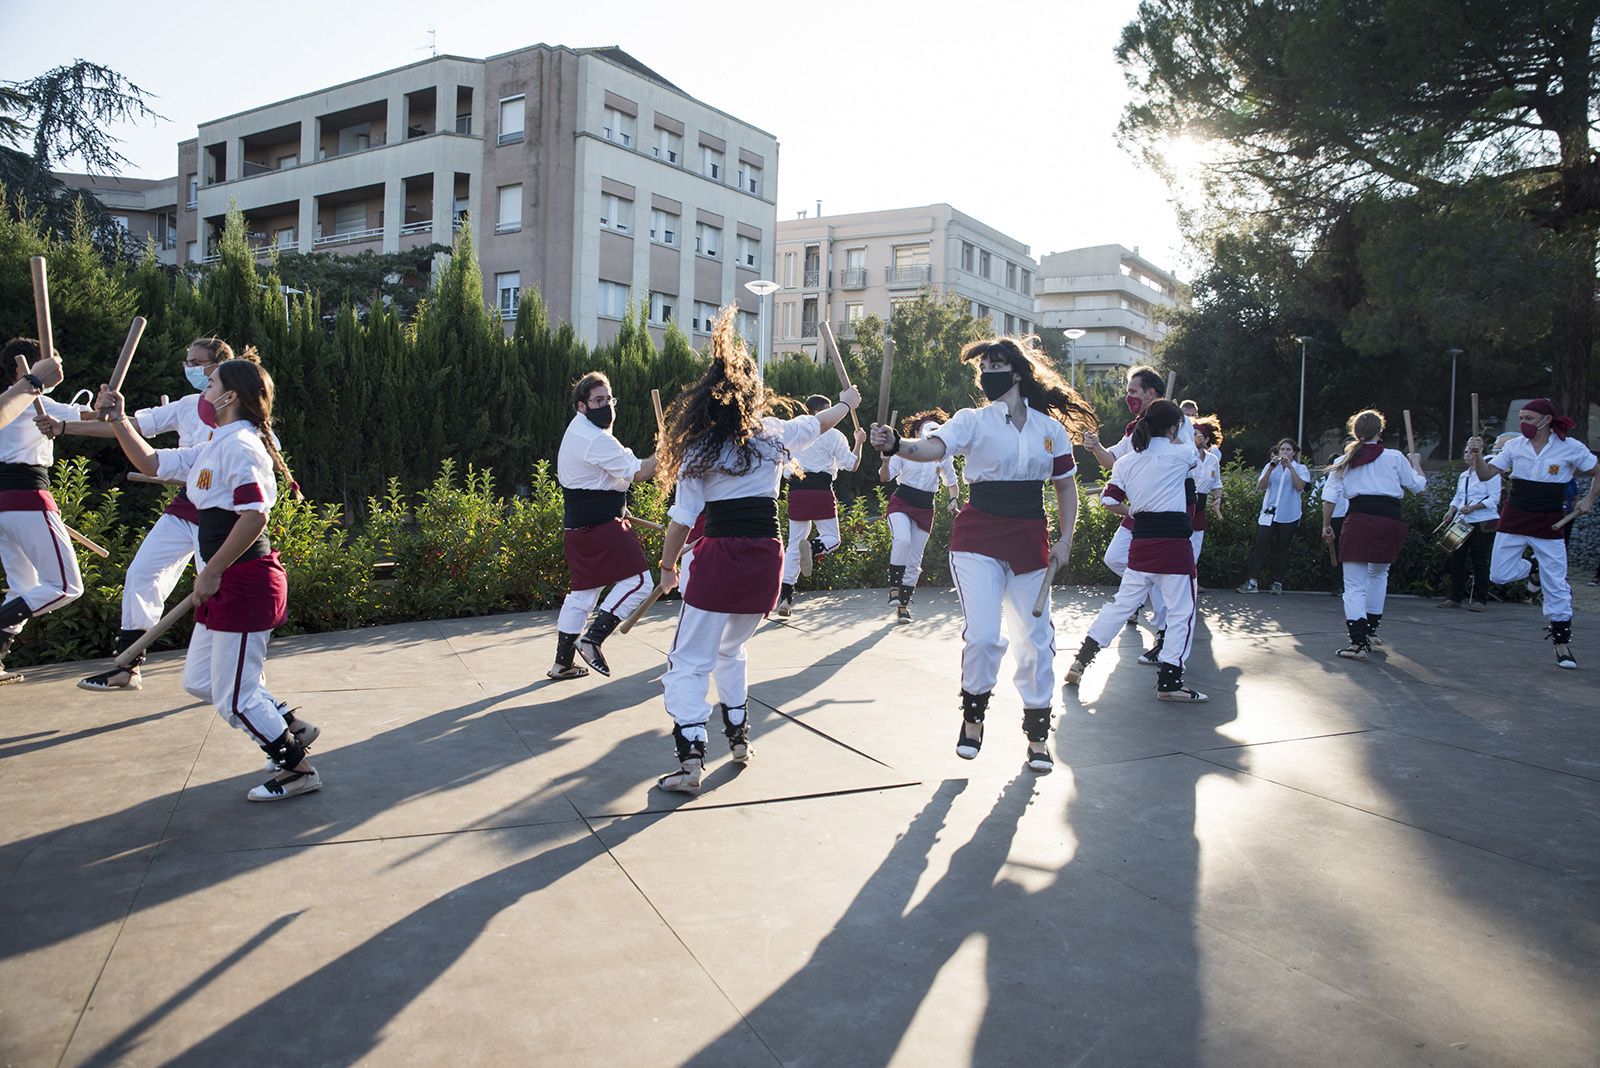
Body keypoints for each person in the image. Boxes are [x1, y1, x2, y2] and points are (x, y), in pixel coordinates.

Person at [652, 308, 860, 793]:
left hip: (720, 558)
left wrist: (666, 567)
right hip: (765, 559)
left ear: (704, 403)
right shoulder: (773, 436)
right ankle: (740, 739)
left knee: (687, 662)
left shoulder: (700, 451)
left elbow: (683, 519)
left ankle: (690, 760)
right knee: (733, 649)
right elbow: (817, 422)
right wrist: (847, 403)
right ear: (750, 397)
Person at [97, 359, 323, 800]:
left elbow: (255, 514)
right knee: (201, 681)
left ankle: (297, 768)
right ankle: (282, 722)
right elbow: (152, 460)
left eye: (213, 382)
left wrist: (213, 571)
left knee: (234, 697)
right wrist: (120, 420)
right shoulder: (216, 443)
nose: (205, 388)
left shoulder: (241, 446)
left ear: (230, 396)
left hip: (244, 583)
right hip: (224, 582)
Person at [869, 335, 1094, 773]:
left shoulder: (1050, 431)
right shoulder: (972, 420)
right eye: (983, 367)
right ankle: (973, 719)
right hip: (978, 537)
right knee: (986, 635)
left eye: (995, 366)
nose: (987, 374)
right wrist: (897, 445)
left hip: (1030, 540)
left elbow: (1066, 486)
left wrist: (1065, 539)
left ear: (1016, 372)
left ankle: (1036, 734)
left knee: (1037, 640)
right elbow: (933, 448)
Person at [41, 338, 254, 691]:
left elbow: (255, 496)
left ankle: (245, 679)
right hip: (189, 503)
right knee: (143, 573)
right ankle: (128, 664)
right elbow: (138, 440)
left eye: (196, 363)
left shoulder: (243, 428)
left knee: (219, 590)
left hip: (225, 513)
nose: (189, 370)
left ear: (219, 370)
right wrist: (66, 427)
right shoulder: (189, 408)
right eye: (185, 362)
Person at [1066, 400, 1206, 701]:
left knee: (1121, 604)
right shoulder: (1182, 454)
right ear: (1172, 427)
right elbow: (1192, 455)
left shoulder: (1126, 462)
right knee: (1182, 612)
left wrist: (1134, 511)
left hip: (1141, 542)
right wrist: (1177, 429)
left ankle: (1081, 658)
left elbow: (1108, 500)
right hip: (1174, 546)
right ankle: (1170, 682)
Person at [1467, 399, 1598, 668]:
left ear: (1546, 420)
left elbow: (1598, 470)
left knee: (1556, 584)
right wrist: (1478, 455)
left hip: (1549, 521)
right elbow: (1485, 475)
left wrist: (1589, 499)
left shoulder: (1570, 448)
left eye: (1528, 418)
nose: (1523, 423)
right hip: (1515, 516)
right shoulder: (1514, 446)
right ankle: (1532, 568)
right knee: (1499, 574)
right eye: (1522, 418)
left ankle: (1562, 646)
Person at [548, 371, 658, 680]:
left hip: (580, 528)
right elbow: (638, 472)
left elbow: (622, 464)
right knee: (639, 582)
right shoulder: (592, 438)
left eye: (609, 399)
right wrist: (667, 455)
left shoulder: (584, 431)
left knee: (582, 595)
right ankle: (593, 639)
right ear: (581, 405)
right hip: (599, 527)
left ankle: (562, 663)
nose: (606, 405)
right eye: (598, 400)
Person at [1083, 366, 1194, 634]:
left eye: (1133, 391)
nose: (1127, 397)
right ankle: (1141, 598)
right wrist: (1095, 447)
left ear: (1151, 394)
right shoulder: (1135, 430)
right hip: (1140, 510)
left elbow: (1189, 460)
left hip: (1168, 511)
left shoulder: (1179, 424)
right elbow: (1114, 462)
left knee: (1163, 576)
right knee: (1116, 558)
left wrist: (1163, 442)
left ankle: (1164, 633)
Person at [0, 339, 82, 684]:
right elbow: (96, 419)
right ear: (23, 370)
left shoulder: (31, 403)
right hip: (27, 500)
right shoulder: (32, 402)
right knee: (66, 586)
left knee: (25, 587)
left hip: (7, 506)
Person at [1323, 410, 1426, 661]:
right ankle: (1370, 631)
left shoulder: (1345, 461)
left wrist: (1326, 525)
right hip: (1390, 521)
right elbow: (1418, 486)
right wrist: (1416, 464)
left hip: (1360, 521)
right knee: (1379, 574)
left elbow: (1330, 495)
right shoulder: (1394, 457)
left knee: (1354, 585)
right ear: (1380, 432)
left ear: (1354, 432)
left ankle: (1358, 642)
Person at [777, 396, 866, 618]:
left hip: (797, 490)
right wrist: (859, 441)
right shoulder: (833, 434)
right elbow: (852, 464)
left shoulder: (794, 430)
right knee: (832, 538)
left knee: (794, 544)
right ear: (822, 411)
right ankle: (815, 547)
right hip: (820, 489)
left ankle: (785, 598)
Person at [879, 408, 960, 623]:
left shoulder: (943, 455)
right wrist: (886, 462)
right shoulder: (905, 450)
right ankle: (894, 589)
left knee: (915, 560)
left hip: (925, 506)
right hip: (902, 502)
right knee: (902, 540)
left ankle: (903, 605)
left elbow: (952, 483)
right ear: (916, 431)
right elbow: (885, 478)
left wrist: (953, 501)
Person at [1236, 438, 1308, 593]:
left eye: (1288, 449)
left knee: (1283, 548)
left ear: (1294, 452)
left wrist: (1290, 468)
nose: (1285, 452)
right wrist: (1270, 468)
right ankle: (1252, 582)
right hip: (1269, 513)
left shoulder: (1300, 468)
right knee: (1260, 546)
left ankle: (1278, 583)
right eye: (1282, 449)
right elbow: (1260, 487)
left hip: (1289, 514)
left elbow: (1300, 486)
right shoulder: (1271, 467)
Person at [1437, 440, 1501, 612]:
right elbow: (1459, 496)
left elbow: (1494, 499)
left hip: (1484, 520)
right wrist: (1451, 510)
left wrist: (1473, 507)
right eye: (1466, 451)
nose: (1469, 454)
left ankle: (1481, 599)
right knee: (1455, 557)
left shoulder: (1491, 473)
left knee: (1479, 559)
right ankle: (1454, 597)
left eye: (1473, 451)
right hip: (1462, 520)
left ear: (1481, 452)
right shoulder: (1464, 475)